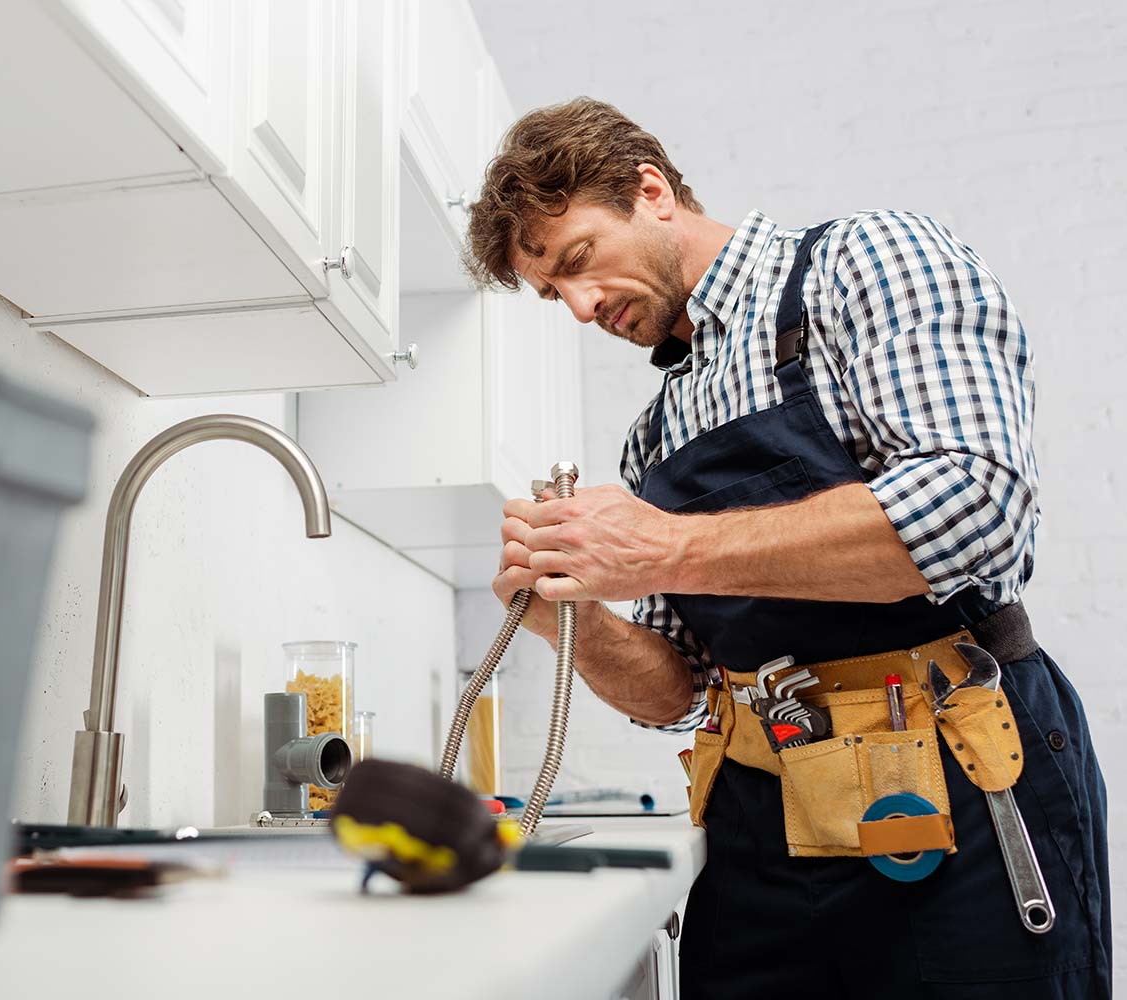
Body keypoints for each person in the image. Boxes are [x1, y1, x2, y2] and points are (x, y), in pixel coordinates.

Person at [464, 97, 1110, 998]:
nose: (578, 307)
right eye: (551, 294)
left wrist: (664, 549)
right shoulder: (652, 435)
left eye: (578, 262)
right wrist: (564, 612)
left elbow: (977, 499)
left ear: (651, 191)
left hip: (954, 784)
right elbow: (677, 690)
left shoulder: (863, 263)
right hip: (761, 825)